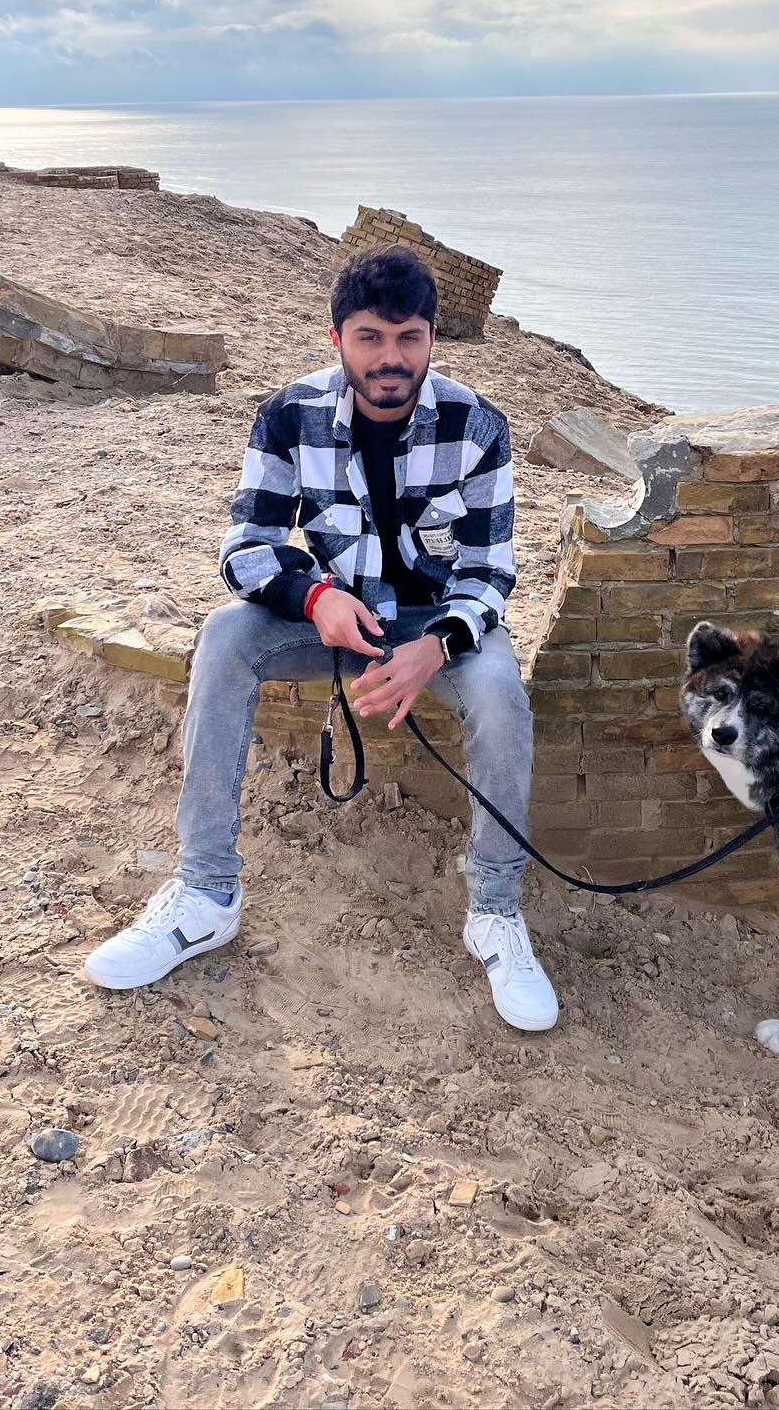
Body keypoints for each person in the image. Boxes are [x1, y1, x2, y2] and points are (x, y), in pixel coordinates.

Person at [83, 245, 559, 1031]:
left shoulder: (478, 425)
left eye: (409, 337)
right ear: (337, 337)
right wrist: (315, 596)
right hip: (332, 616)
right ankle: (205, 892)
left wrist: (437, 644)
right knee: (225, 635)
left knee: (501, 694)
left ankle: (495, 911)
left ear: (432, 338)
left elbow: (489, 571)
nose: (391, 357)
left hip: (438, 626)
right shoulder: (287, 415)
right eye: (370, 336)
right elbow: (246, 547)